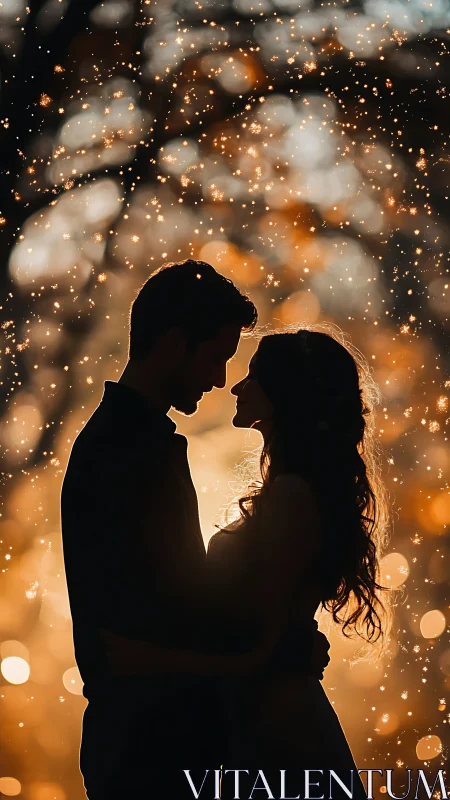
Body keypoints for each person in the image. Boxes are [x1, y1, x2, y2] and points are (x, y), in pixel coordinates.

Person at [61, 260, 329, 800]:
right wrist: (267, 654)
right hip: (149, 746)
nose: (220, 379)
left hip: (162, 738)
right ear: (174, 343)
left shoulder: (139, 444)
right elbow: (144, 627)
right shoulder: (124, 453)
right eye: (215, 356)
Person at [102, 326, 392, 800]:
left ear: (285, 393)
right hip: (264, 723)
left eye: (254, 376)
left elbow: (262, 654)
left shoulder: (293, 496)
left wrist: (147, 660)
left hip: (283, 733)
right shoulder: (290, 490)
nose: (236, 386)